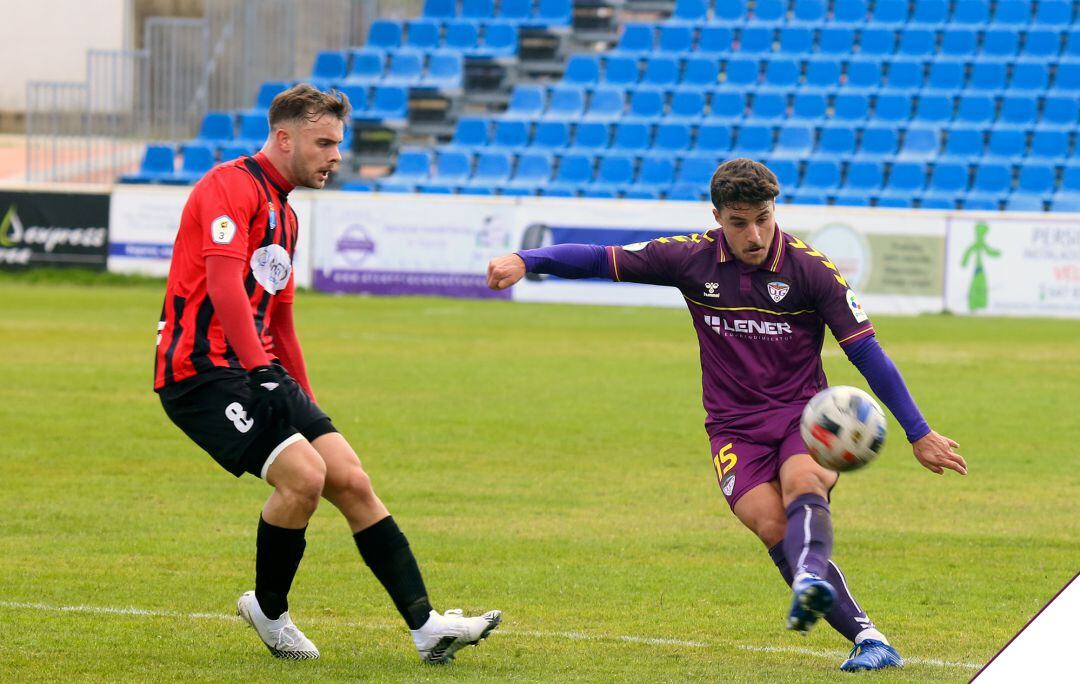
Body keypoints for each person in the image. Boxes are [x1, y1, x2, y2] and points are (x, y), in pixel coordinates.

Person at [486, 158, 966, 672]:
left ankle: (812, 581)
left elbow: (867, 352)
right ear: (718, 219)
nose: (755, 234)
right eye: (739, 223)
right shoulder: (690, 259)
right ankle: (870, 638)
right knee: (768, 522)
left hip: (805, 418)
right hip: (734, 427)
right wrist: (526, 257)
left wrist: (919, 433)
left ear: (775, 209)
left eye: (763, 217)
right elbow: (602, 258)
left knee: (805, 481)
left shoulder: (811, 270)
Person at [154, 84, 500, 664]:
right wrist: (262, 371)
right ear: (284, 138)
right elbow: (222, 286)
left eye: (337, 143)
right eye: (324, 143)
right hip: (201, 373)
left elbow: (280, 317)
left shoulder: (286, 215)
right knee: (304, 479)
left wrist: (306, 405)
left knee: (350, 477)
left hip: (259, 369)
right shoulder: (228, 187)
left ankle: (427, 627)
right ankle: (270, 610)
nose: (335, 155)